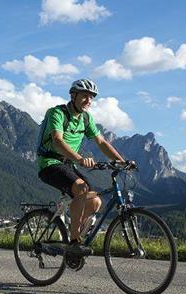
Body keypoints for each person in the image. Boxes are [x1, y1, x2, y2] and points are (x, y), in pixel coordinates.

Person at [37, 79, 128, 257]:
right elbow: (57, 140)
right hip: (50, 164)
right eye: (85, 96)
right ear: (73, 95)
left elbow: (101, 142)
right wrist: (79, 158)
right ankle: (74, 241)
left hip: (68, 165)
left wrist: (121, 161)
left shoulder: (86, 118)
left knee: (95, 202)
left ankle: (71, 231)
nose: (88, 101)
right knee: (81, 188)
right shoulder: (58, 113)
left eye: (91, 98)